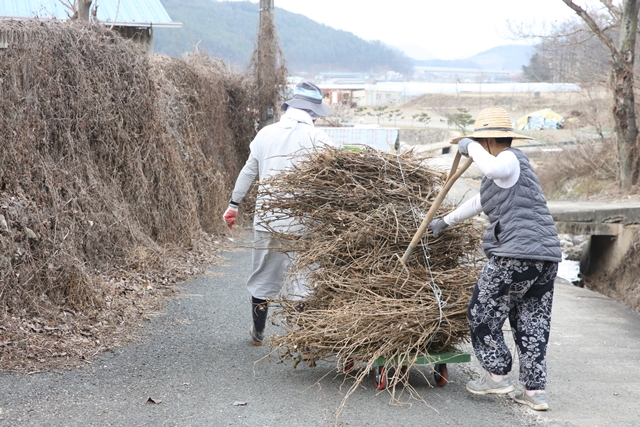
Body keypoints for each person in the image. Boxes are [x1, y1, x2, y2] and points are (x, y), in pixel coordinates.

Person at [428, 106, 562, 411]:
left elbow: (493, 169)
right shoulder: (515, 173)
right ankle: (534, 391)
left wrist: (469, 146)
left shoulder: (508, 159)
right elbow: (479, 202)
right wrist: (445, 221)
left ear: (488, 141)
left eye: (480, 141)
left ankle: (497, 376)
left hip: (514, 256)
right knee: (533, 321)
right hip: (545, 258)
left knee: (482, 311)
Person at [223, 81, 336, 346]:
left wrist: (233, 205)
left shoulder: (265, 134)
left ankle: (258, 332)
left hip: (268, 221)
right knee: (305, 278)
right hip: (305, 223)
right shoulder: (320, 139)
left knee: (263, 276)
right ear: (313, 113)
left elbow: (249, 170)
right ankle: (306, 341)